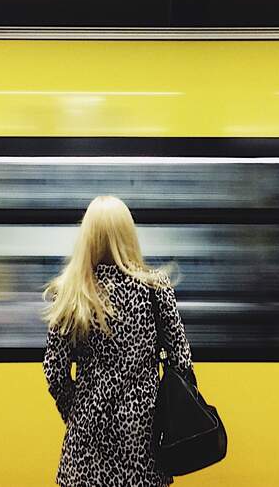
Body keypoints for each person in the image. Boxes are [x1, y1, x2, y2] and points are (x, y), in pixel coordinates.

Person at [42, 195, 193, 487]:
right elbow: (181, 359)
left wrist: (77, 412)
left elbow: (54, 372)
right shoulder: (155, 289)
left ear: (87, 237)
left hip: (87, 436)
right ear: (128, 235)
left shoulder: (72, 293)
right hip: (144, 434)